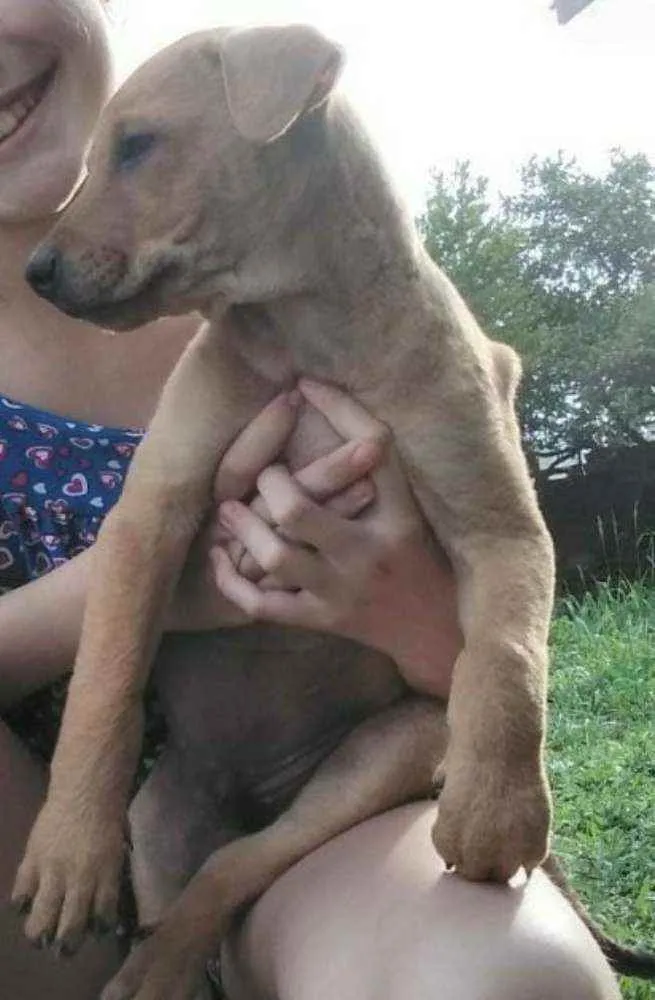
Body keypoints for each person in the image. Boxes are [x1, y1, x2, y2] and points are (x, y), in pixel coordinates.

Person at [0, 2, 620, 998]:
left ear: (290, 107)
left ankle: (208, 907)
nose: (87, 215)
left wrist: (487, 701)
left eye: (140, 150)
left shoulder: (398, 342)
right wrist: (85, 793)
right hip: (139, 804)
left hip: (352, 780)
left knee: (492, 976)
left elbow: (503, 541)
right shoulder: (216, 337)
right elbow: (144, 533)